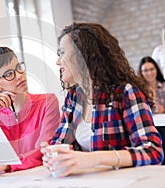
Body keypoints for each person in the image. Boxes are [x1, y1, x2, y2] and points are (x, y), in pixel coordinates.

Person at [41, 22, 164, 178]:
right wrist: (53, 155)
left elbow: (153, 151)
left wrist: (96, 158)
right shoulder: (73, 98)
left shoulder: (124, 92)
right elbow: (60, 143)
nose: (58, 61)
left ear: (84, 55)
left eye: (62, 53)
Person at [0, 46, 60, 176]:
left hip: (42, 177)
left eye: (19, 68)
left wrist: (7, 166)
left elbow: (42, 150)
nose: (19, 76)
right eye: (9, 74)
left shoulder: (47, 102)